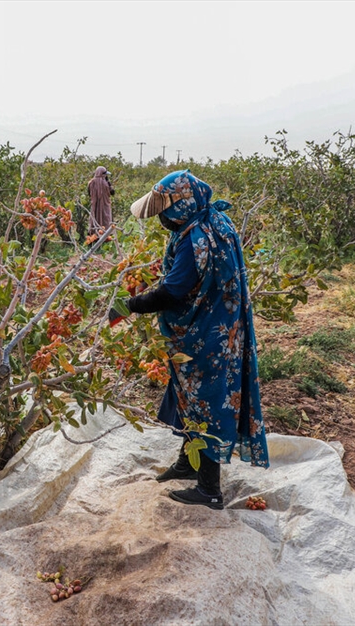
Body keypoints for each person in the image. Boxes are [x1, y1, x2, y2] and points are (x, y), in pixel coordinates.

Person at [110, 170, 269, 509]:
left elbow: (172, 290)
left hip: (207, 337)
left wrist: (129, 305)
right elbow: (185, 275)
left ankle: (209, 490)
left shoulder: (197, 237)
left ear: (182, 205)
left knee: (205, 404)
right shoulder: (214, 220)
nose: (162, 219)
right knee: (187, 396)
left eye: (165, 211)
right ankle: (188, 461)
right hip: (219, 326)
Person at [87, 165, 115, 233]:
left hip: (94, 206)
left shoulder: (91, 183)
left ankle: (94, 233)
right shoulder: (106, 183)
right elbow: (112, 192)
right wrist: (109, 184)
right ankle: (106, 235)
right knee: (106, 219)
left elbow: (89, 193)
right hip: (105, 205)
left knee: (95, 217)